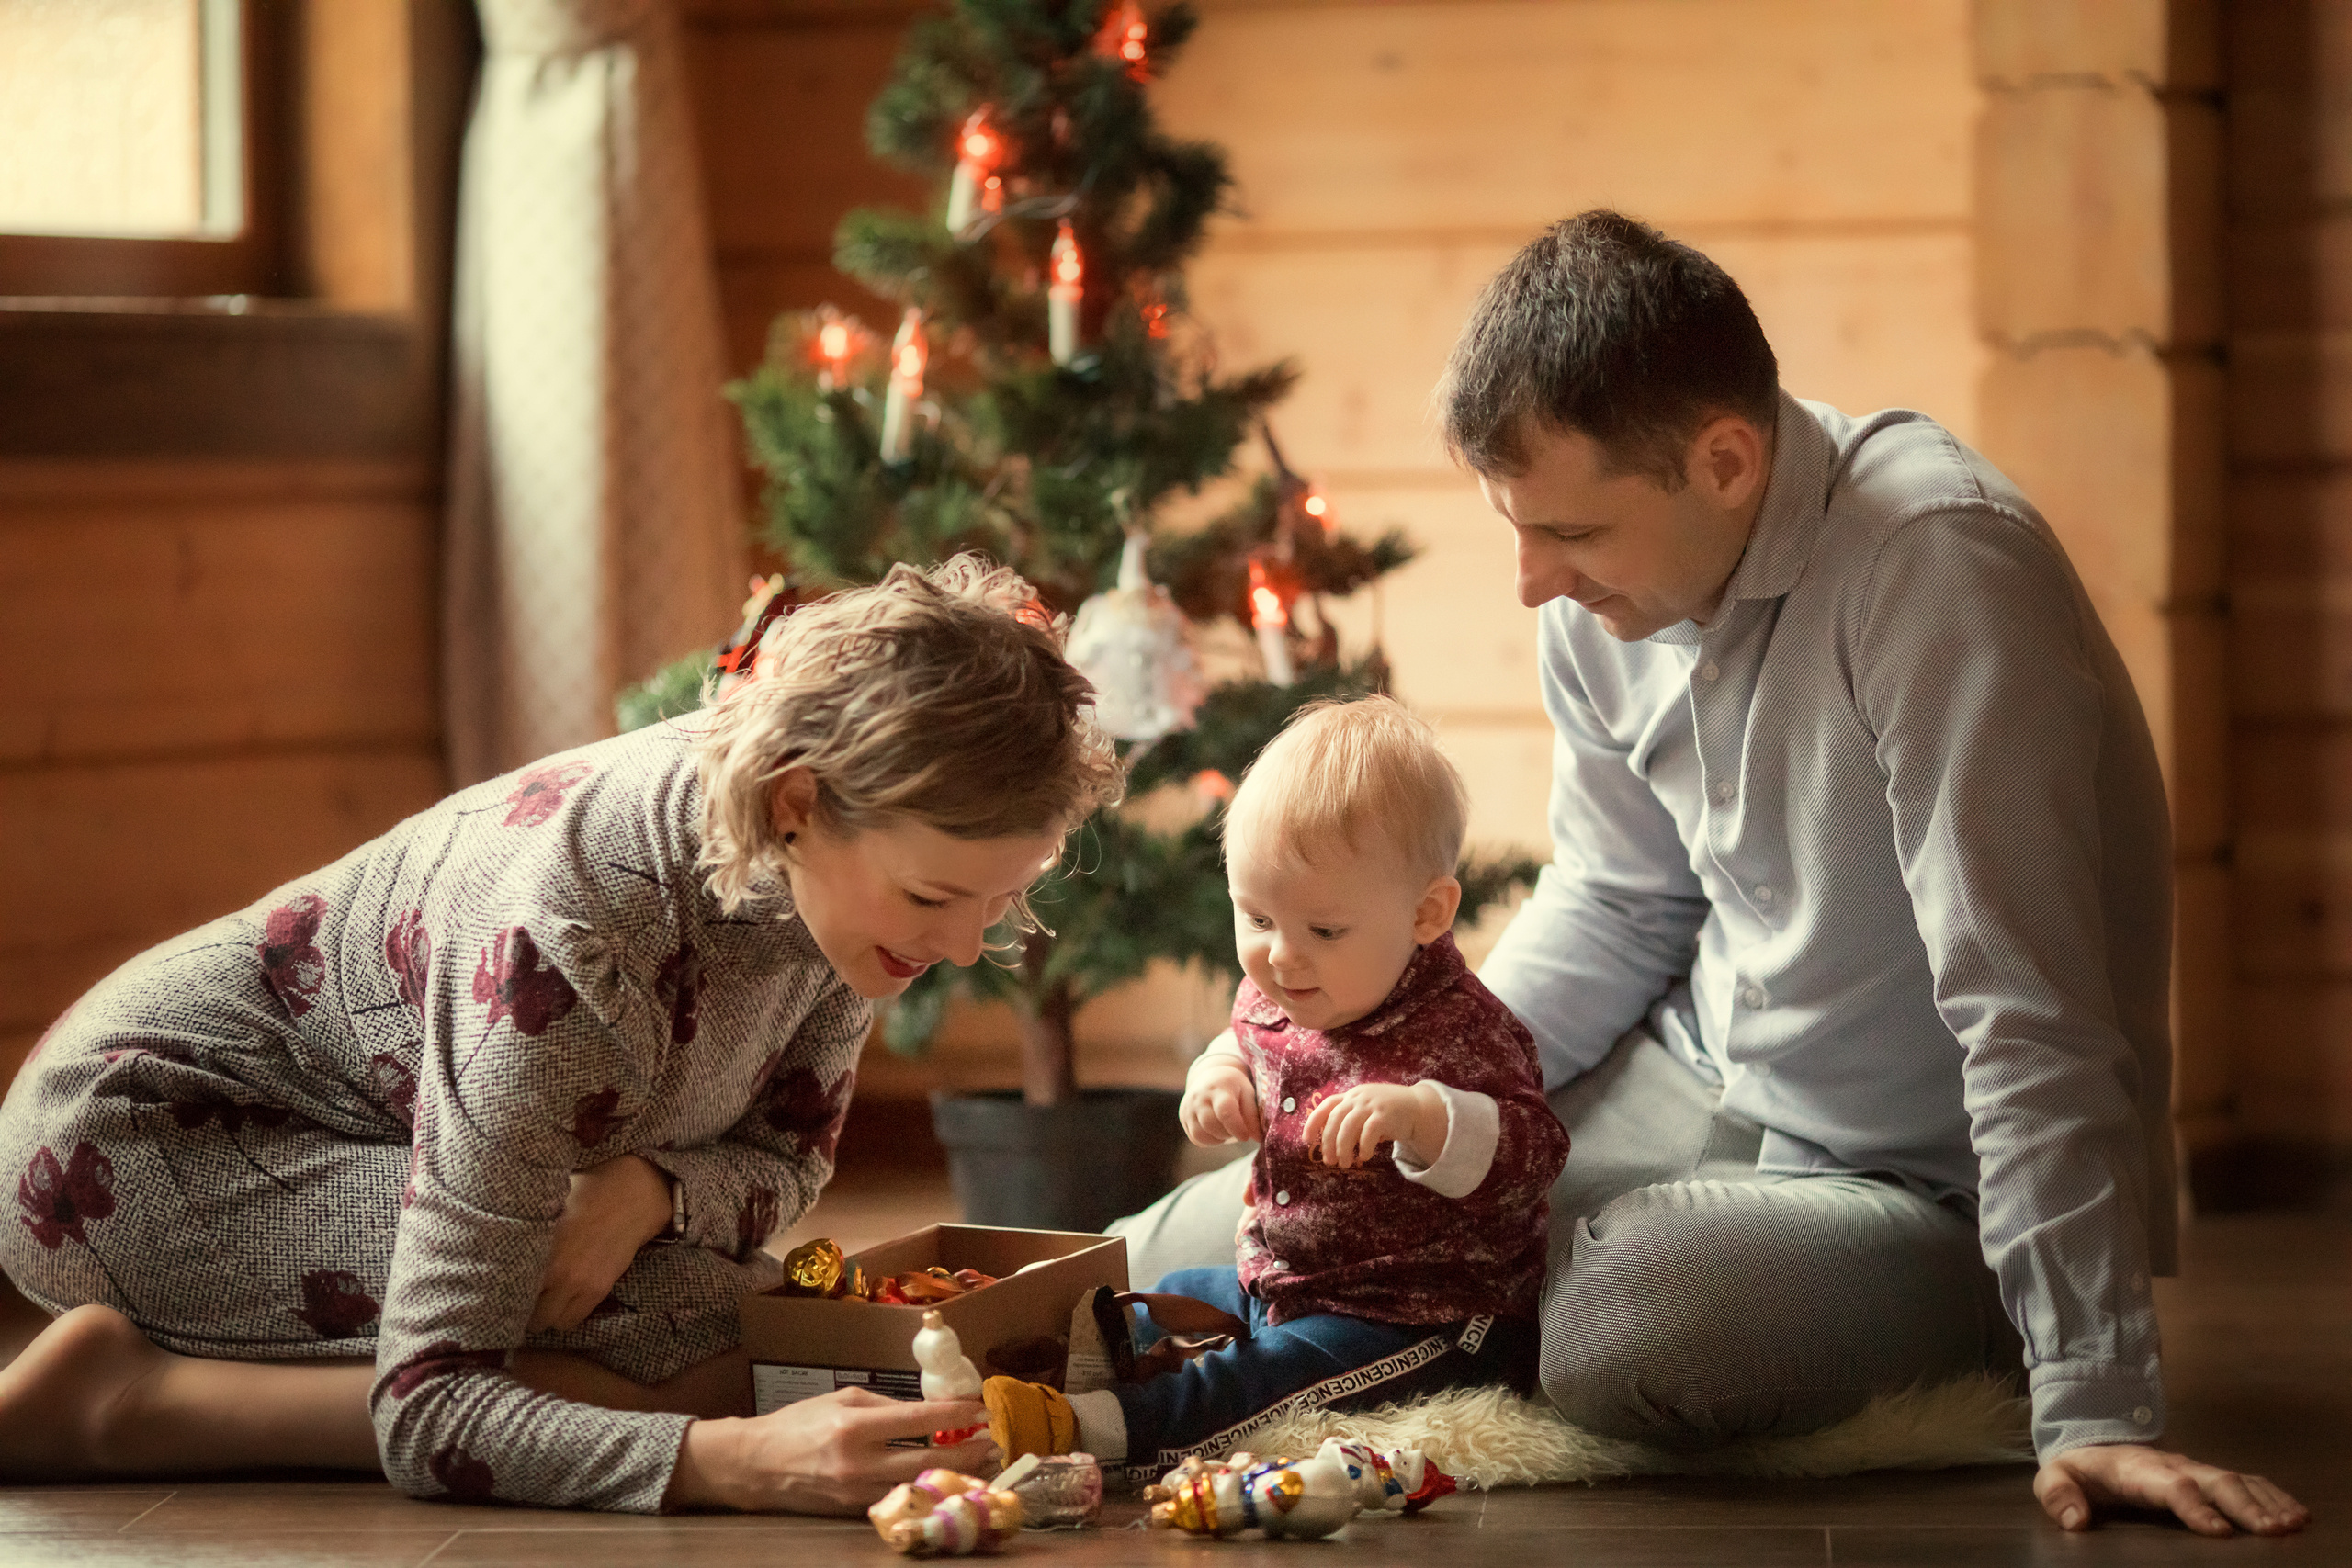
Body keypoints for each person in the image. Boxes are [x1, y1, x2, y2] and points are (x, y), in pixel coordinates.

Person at [1112, 212, 2310, 1538]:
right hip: (1694, 1081)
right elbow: (1620, 901)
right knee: (1175, 1249)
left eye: (1567, 530)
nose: (1531, 582)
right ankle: (1476, 1290)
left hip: (1918, 1178)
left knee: (1634, 1327)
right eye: (1516, 528)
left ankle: (1965, 1327)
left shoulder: (1941, 570)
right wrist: (1429, 1089)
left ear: (1726, 461)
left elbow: (2028, 1014)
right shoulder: (1598, 596)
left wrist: (2098, 1399)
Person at [0, 556, 1123, 1515]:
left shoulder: (846, 888)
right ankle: (127, 1406)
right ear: (793, 806)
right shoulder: (568, 943)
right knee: (707, 1346)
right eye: (936, 899)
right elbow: (433, 1402)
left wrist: (651, 1192)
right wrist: (729, 1467)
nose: (968, 946)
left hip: (396, 1144)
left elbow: (789, 1161)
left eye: (996, 901)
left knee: (739, 1317)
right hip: (138, 1152)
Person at [986, 697, 1567, 1473]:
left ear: (1427, 913)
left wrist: (1426, 1118)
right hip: (1280, 1277)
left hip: (1422, 1319)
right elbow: (1246, 1037)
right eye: (1256, 918)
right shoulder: (1281, 990)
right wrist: (1217, 1072)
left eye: (1324, 931)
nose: (1281, 958)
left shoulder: (1463, 1031)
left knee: (1263, 1381)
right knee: (1161, 1295)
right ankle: (1016, 1370)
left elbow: (1536, 1151)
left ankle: (1104, 1430)